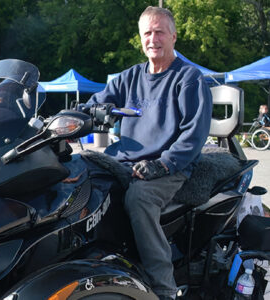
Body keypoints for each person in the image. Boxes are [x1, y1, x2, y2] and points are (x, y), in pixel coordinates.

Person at [85, 6, 212, 300]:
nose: (153, 38)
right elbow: (93, 105)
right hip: (123, 161)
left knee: (139, 198)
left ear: (173, 37)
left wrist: (162, 164)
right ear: (140, 38)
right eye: (147, 33)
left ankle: (163, 288)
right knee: (77, 176)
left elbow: (193, 137)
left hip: (171, 166)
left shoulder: (189, 79)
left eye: (159, 32)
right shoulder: (128, 78)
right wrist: (67, 119)